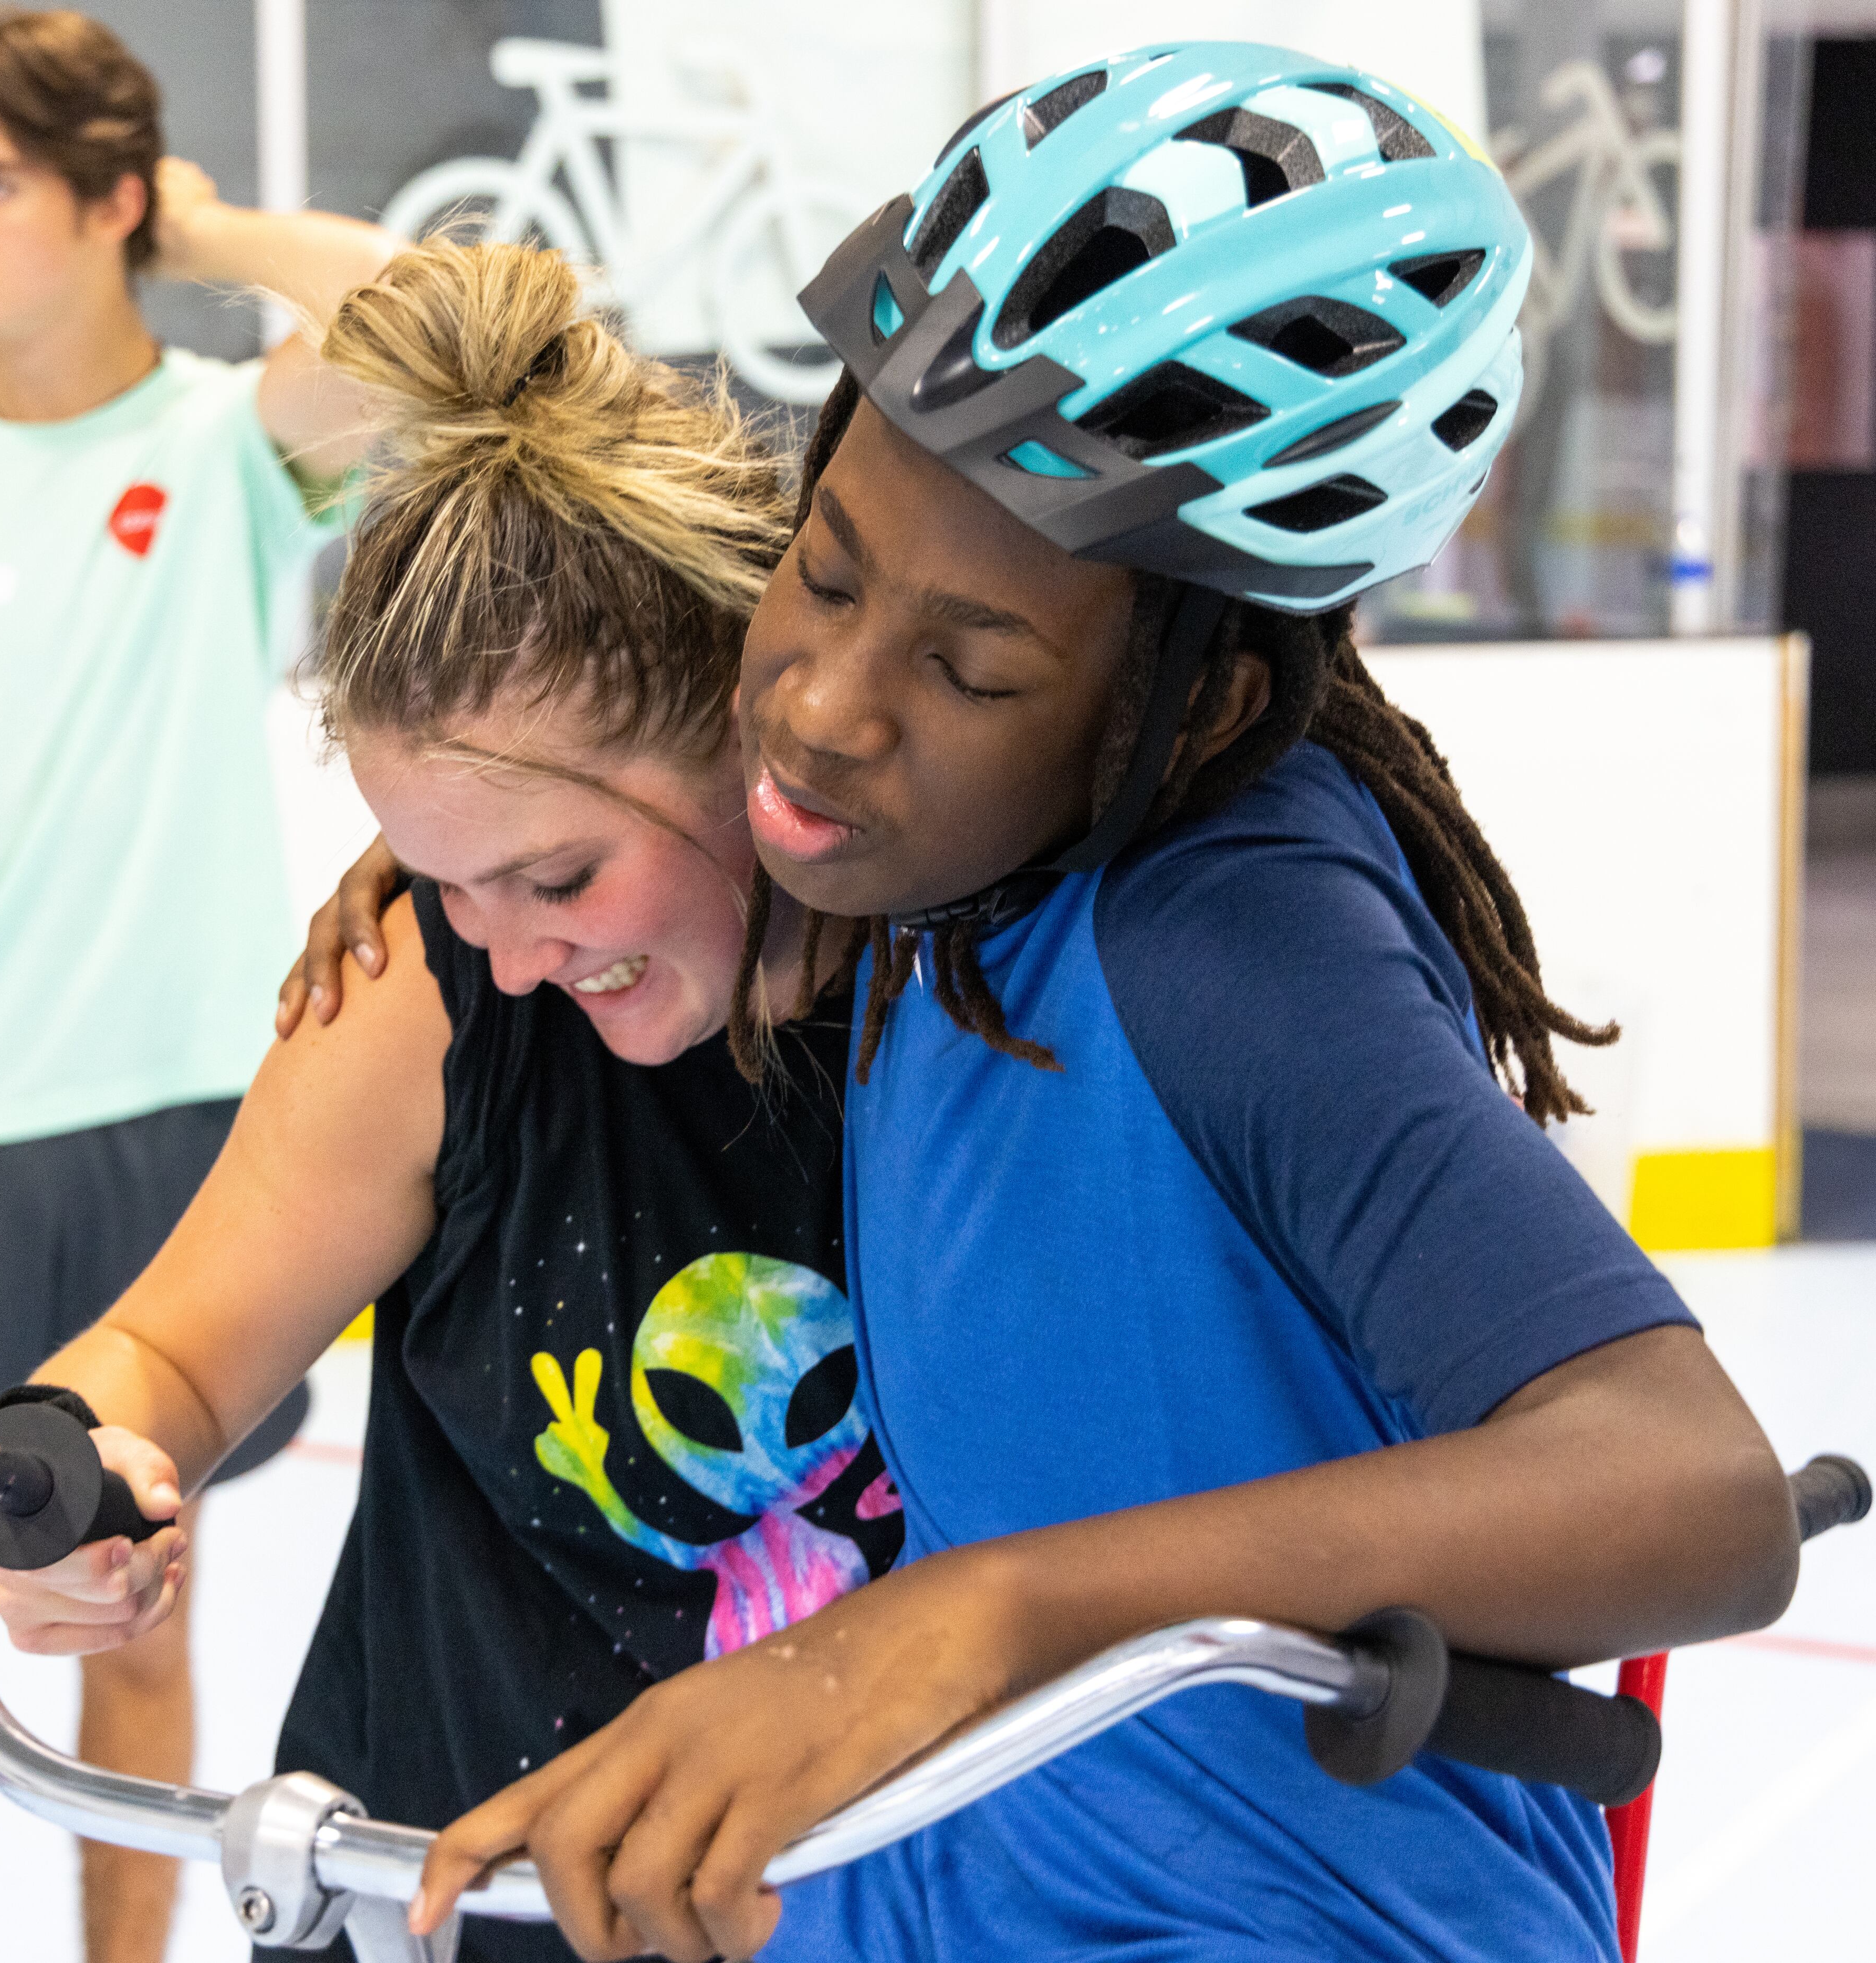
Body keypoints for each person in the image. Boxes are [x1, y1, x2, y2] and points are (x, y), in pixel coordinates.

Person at [401, 46, 1802, 1963]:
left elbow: (1698, 1488)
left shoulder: (1229, 939)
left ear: (1195, 712)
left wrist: (990, 1609)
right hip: (976, 1877)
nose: (823, 704)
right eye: (823, 572)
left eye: (969, 672)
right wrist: (487, 863)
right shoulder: (947, 861)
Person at [0, 237, 900, 1963]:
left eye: (558, 874)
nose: (516, 954)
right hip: (428, 1907)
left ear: (746, 724)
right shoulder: (426, 992)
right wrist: (65, 1473)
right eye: (446, 876)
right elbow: (166, 1357)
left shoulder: (984, 998)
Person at [0, 10, 395, 1958]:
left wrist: (204, 225)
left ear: (106, 198)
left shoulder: (216, 444)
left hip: (168, 1122)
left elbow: (424, 314)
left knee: (131, 1641)